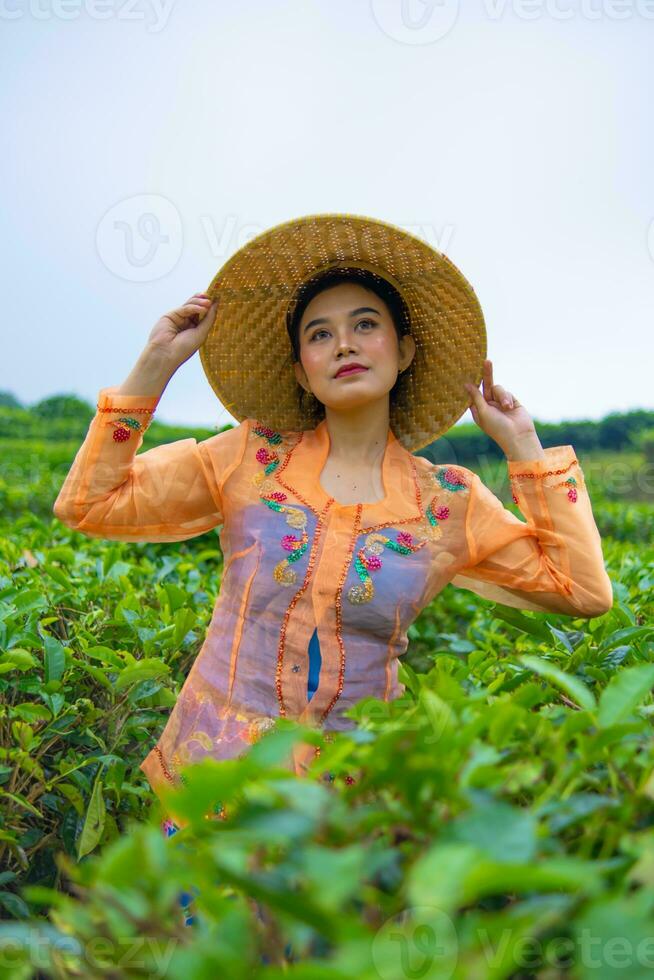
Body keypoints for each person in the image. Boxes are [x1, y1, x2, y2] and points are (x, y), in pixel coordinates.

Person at [52, 214, 613, 935]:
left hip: (352, 811)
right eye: (319, 333)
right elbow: (89, 501)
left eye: (365, 324)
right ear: (299, 368)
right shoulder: (247, 459)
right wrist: (156, 364)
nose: (343, 343)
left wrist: (525, 445)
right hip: (215, 791)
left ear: (405, 349)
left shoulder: (449, 502)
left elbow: (584, 590)